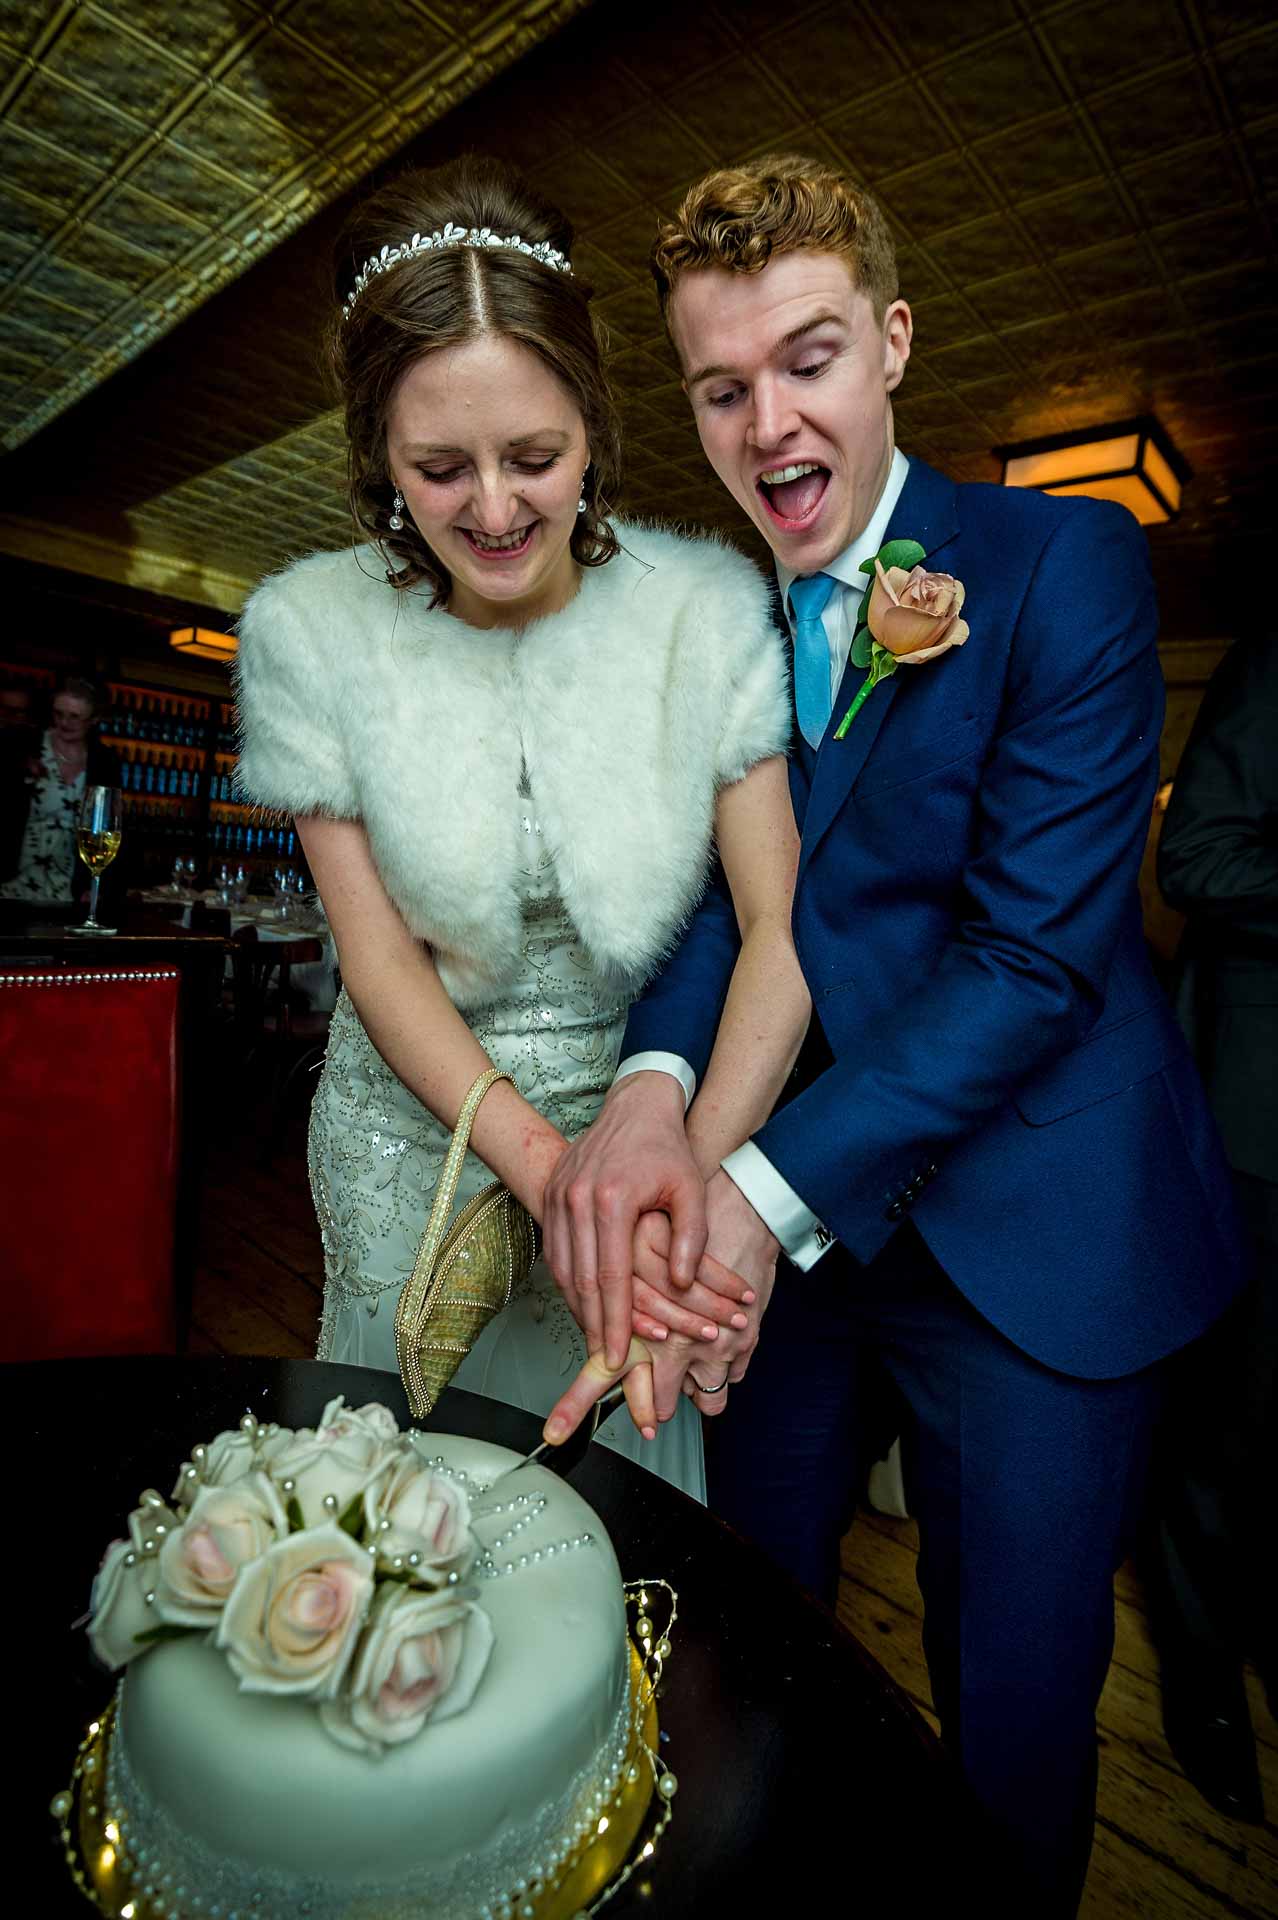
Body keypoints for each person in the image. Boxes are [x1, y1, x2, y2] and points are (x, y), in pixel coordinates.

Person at [540, 154, 1246, 1911]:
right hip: (794, 1239)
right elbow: (728, 908)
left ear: (894, 343)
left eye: (809, 358)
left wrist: (747, 1188)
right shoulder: (710, 620)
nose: (767, 420)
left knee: (1010, 1714)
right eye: (721, 387)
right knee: (746, 1629)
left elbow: (1028, 957)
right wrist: (648, 1087)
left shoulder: (1058, 557)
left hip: (1031, 1242)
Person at [232, 155, 809, 1501]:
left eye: (533, 458)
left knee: (602, 1513)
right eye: (439, 468)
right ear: (377, 454)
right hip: (408, 1131)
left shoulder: (704, 611)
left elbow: (781, 923)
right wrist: (545, 1171)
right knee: (395, 1506)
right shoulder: (308, 635)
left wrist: (682, 1165)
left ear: (594, 428)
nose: (493, 510)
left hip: (641, 1127)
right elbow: (375, 963)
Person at [1140, 633, 1277, 1821]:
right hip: (1258, 1116)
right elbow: (1198, 855)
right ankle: (1199, 1673)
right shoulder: (1276, 649)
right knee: (1228, 1418)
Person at [0, 673, 120, 903]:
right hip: (11, 883)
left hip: (70, 891)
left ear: (94, 719)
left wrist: (99, 885)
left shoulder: (105, 762)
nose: (64, 723)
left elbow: (112, 826)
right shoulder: (22, 745)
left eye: (75, 717)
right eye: (59, 714)